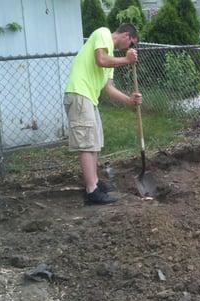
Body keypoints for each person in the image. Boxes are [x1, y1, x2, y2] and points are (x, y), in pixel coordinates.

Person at [64, 23, 142, 205]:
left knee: (95, 142)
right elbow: (100, 59)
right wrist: (127, 60)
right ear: (125, 35)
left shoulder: (111, 58)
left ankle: (96, 183)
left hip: (90, 99)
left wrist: (129, 100)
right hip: (79, 94)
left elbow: (108, 88)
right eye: (131, 43)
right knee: (87, 144)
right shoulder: (103, 33)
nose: (130, 48)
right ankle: (91, 192)